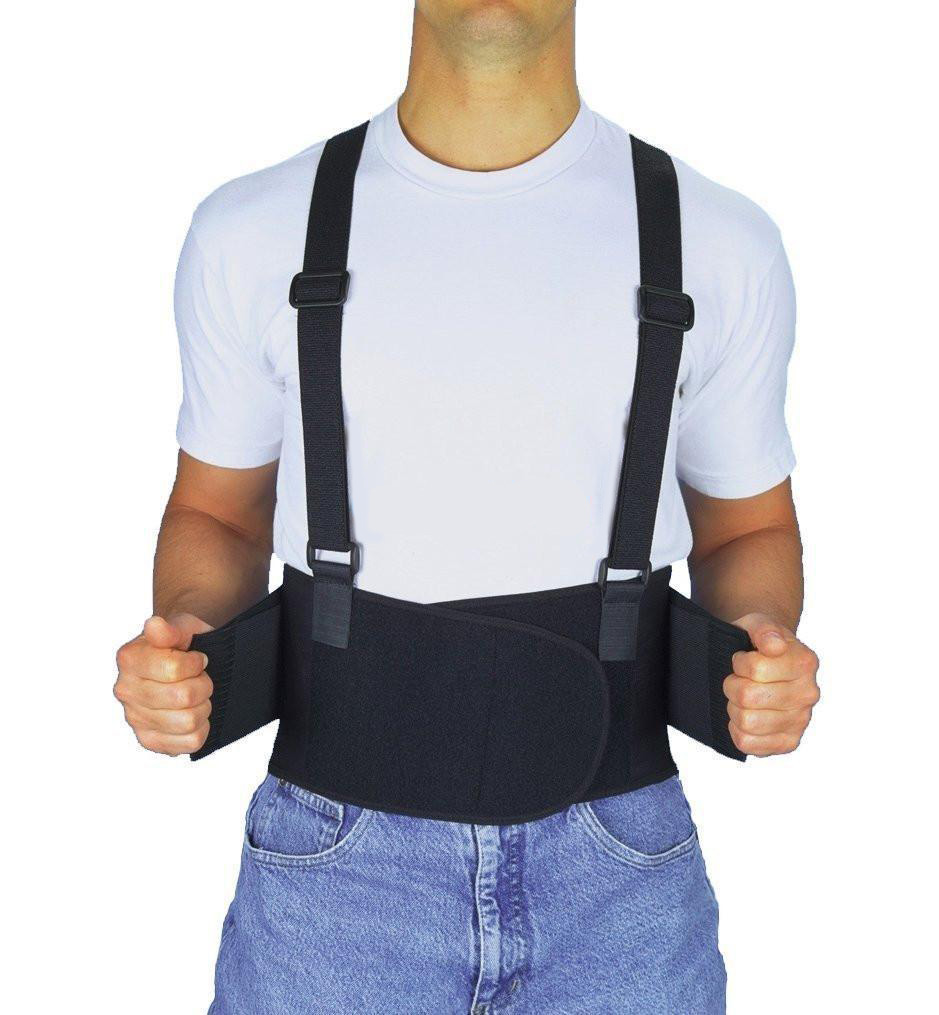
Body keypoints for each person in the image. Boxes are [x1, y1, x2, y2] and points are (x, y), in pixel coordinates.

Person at [113, 2, 820, 1011]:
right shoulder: (255, 230)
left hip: (619, 886)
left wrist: (763, 635)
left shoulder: (717, 241)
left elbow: (748, 526)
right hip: (332, 887)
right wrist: (186, 627)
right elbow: (218, 515)